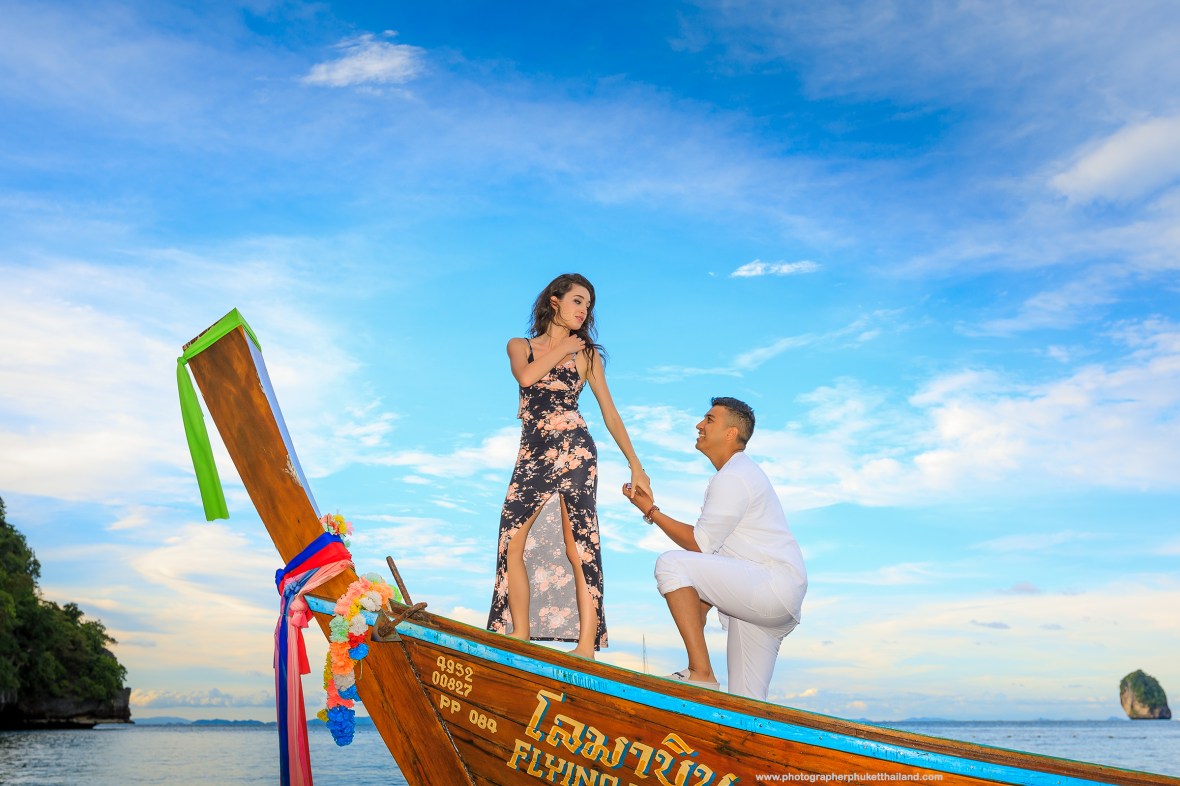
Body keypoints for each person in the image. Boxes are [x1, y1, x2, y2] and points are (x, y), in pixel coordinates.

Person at [487, 273, 650, 659]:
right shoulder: (520, 345)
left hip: (575, 449)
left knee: (579, 544)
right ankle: (520, 632)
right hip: (532, 452)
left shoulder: (588, 354)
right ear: (555, 301)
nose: (584, 310)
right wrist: (562, 349)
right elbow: (527, 376)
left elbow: (609, 412)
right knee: (511, 539)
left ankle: (586, 646)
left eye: (588, 305)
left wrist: (636, 464)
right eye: (577, 300)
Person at [623, 397, 806, 700]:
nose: (699, 425)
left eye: (709, 420)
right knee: (746, 705)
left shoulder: (735, 477)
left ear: (731, 433)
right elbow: (714, 559)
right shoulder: (738, 475)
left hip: (770, 586)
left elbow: (700, 544)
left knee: (671, 564)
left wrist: (651, 511)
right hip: (771, 597)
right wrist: (697, 608)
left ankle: (701, 673)